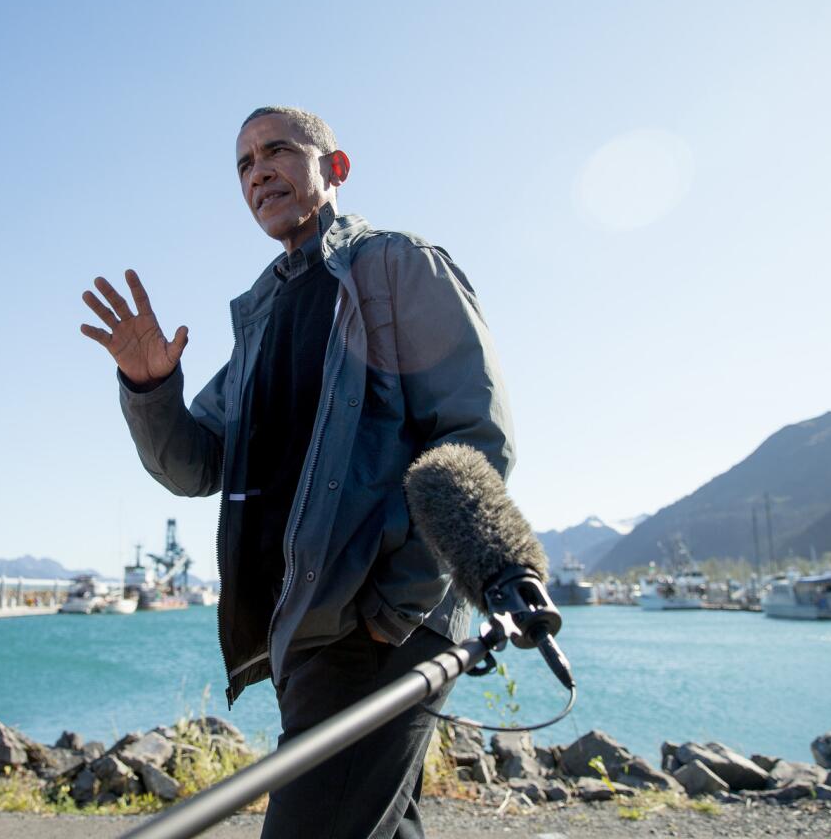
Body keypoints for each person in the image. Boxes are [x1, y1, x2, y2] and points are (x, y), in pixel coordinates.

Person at [80, 106, 514, 838]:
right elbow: (196, 466)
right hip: (303, 631)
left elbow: (472, 438)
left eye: (278, 150)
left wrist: (397, 606)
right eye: (244, 164)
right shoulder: (263, 315)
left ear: (335, 168)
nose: (259, 173)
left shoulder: (397, 267)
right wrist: (153, 390)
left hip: (373, 626)